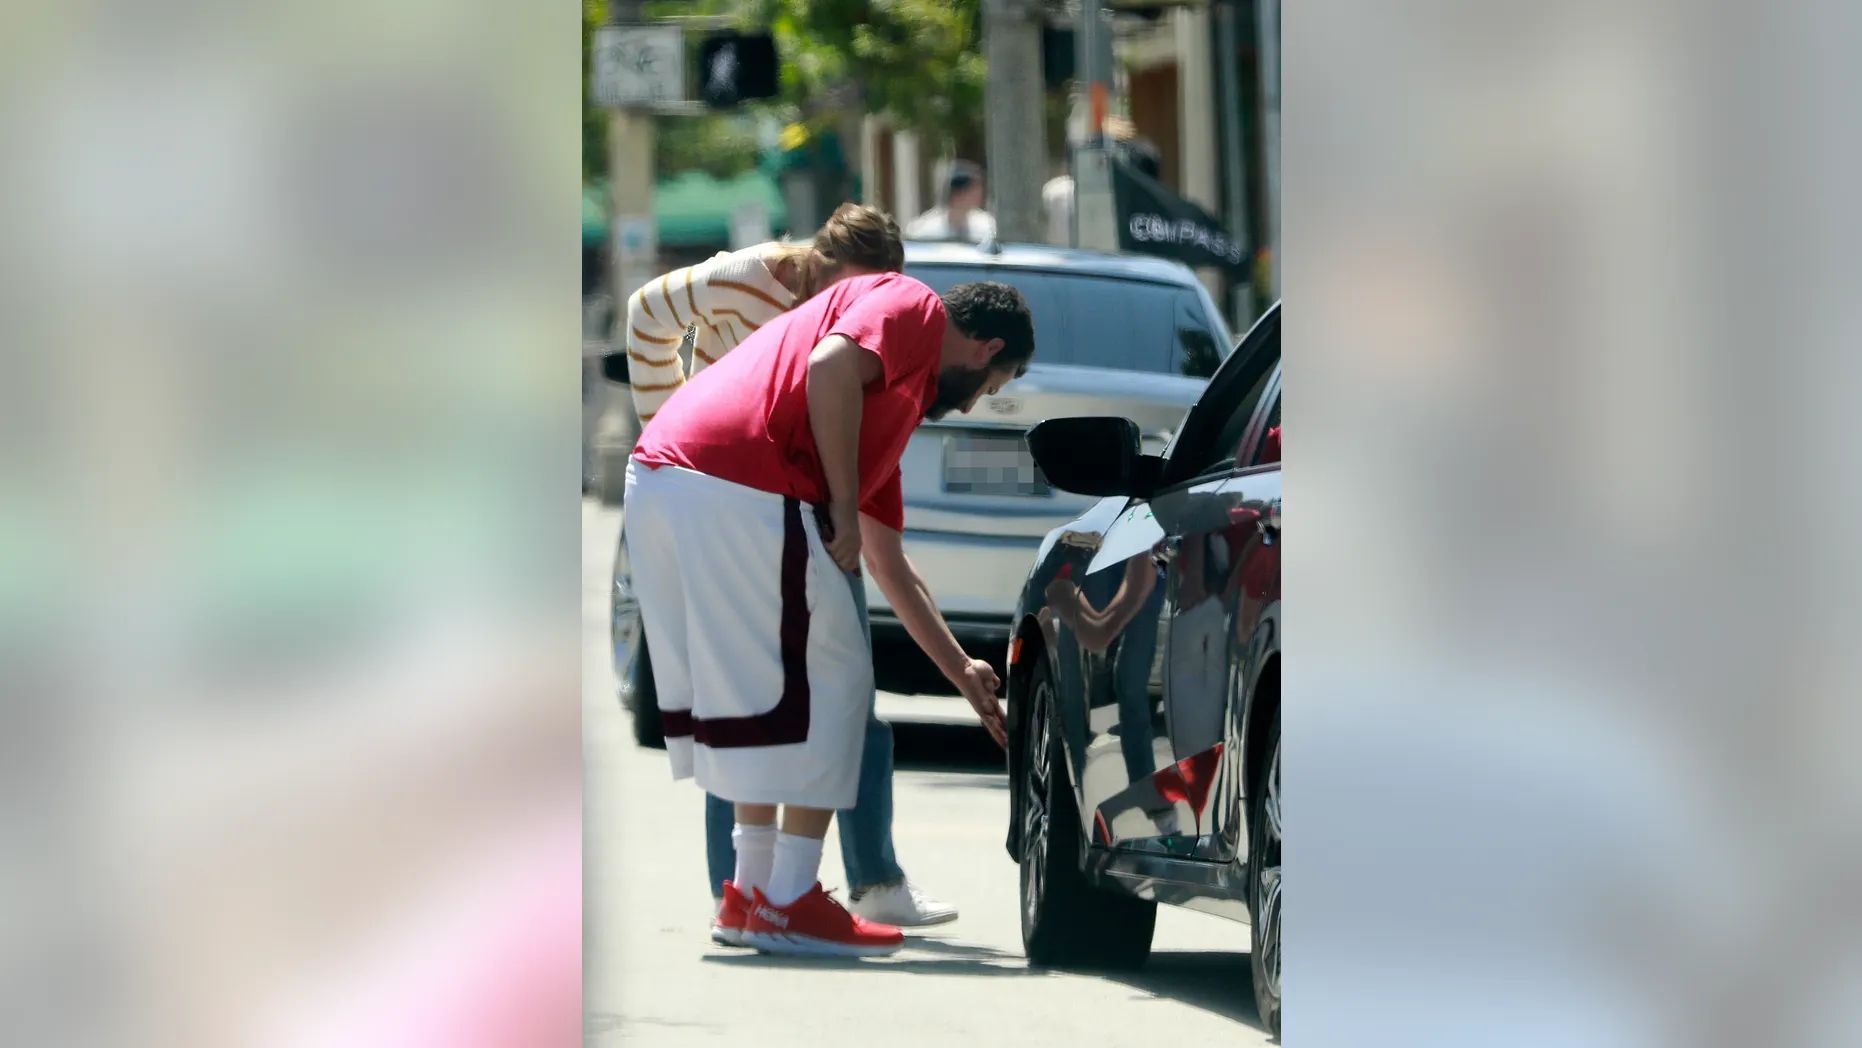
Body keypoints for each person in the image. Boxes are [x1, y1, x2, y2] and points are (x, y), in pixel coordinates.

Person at [623, 275, 1035, 956]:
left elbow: (893, 570)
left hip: (670, 476)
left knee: (761, 696)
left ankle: (749, 896)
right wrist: (842, 503)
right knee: (841, 687)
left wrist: (963, 671)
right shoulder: (915, 307)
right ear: (986, 347)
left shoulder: (883, 417)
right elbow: (830, 365)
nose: (972, 407)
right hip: (736, 478)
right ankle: (789, 902)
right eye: (992, 385)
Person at [906, 160, 997, 243]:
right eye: (973, 190)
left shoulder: (987, 226)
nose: (979, 194)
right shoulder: (925, 230)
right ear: (956, 195)